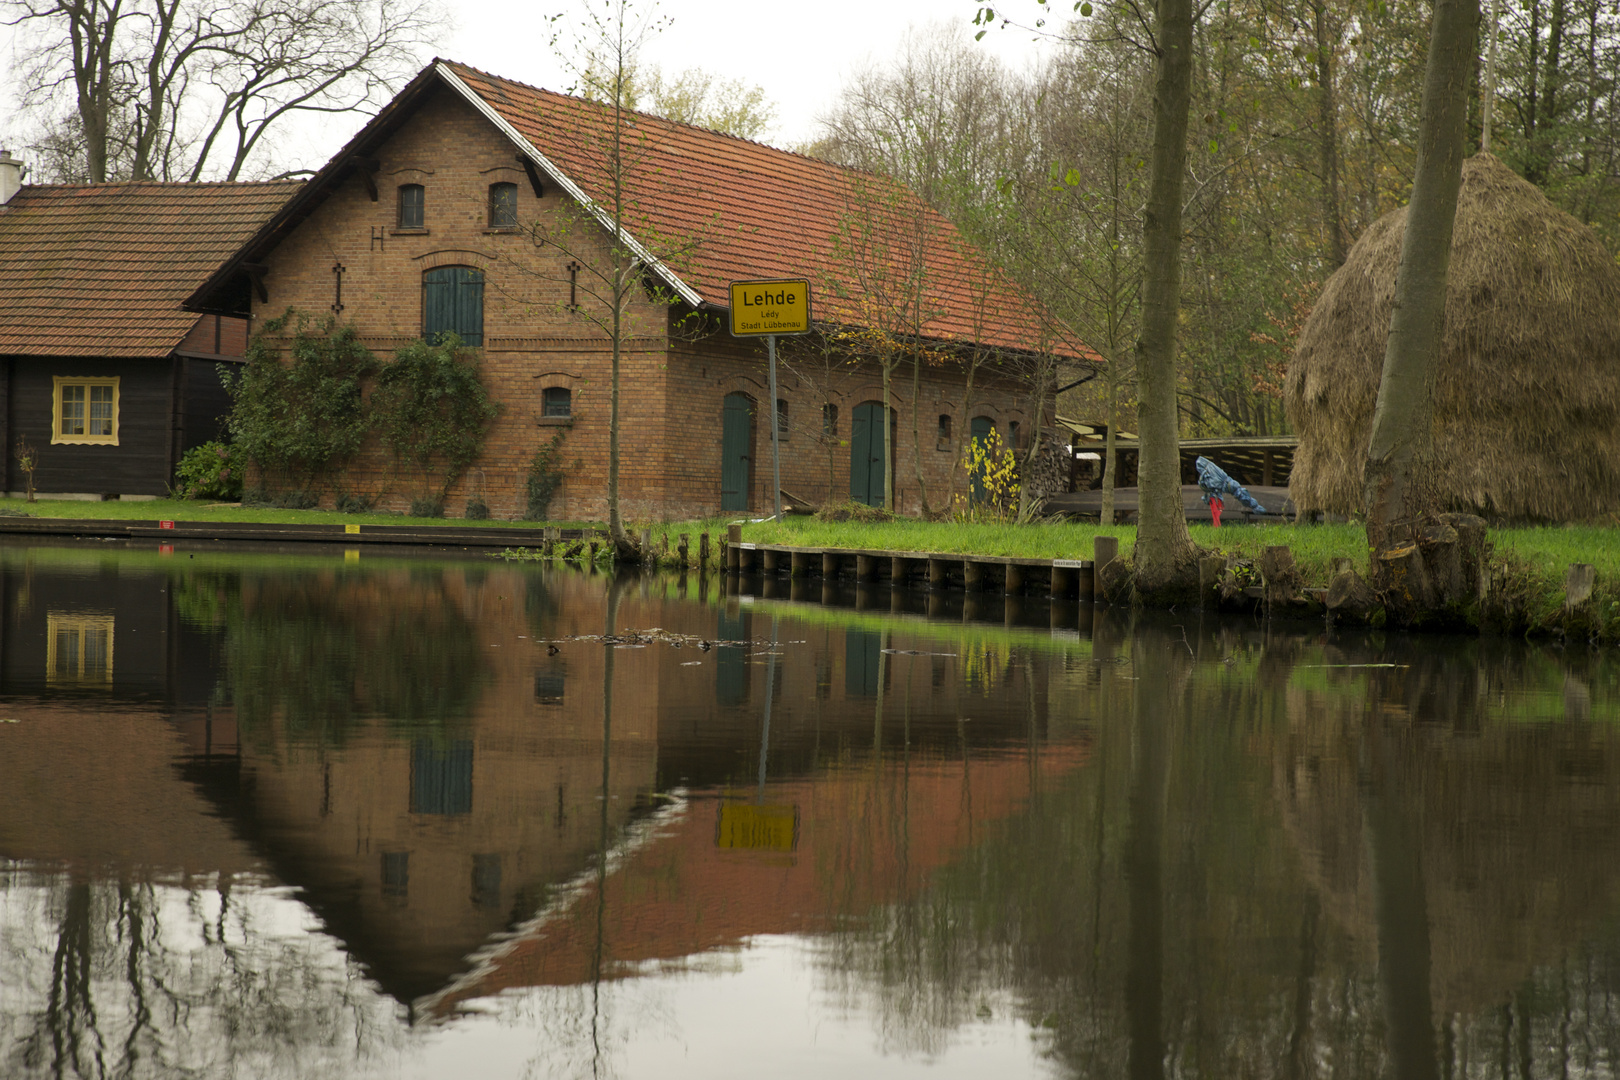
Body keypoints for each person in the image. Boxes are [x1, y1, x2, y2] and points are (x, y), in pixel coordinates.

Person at [1195, 455, 1267, 527]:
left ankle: (1217, 524)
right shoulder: (1213, 472)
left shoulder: (1213, 473)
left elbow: (1210, 484)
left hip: (1226, 487)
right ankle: (1216, 524)